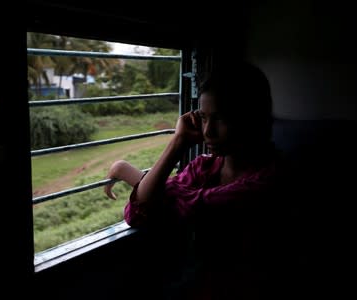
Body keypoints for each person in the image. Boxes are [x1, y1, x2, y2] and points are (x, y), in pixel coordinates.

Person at [104, 61, 284, 299]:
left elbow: (186, 206)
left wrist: (130, 173)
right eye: (203, 117)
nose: (207, 132)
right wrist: (178, 142)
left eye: (220, 118)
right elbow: (137, 213)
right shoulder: (206, 167)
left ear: (251, 118)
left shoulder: (271, 180)